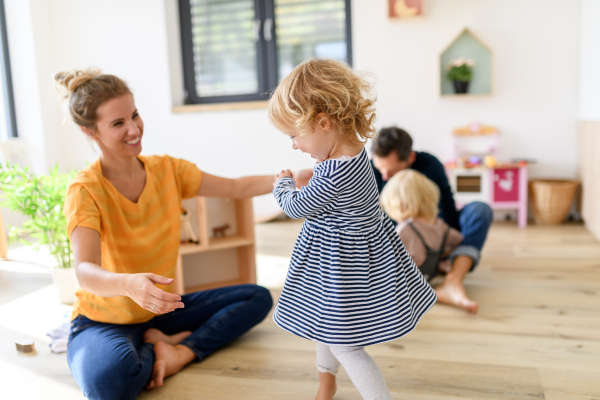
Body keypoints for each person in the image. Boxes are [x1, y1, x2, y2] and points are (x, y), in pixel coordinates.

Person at [57, 69, 274, 400]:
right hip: (104, 320)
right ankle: (154, 346)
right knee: (110, 386)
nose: (133, 129)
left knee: (257, 297)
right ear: (91, 131)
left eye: (135, 115)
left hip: (161, 308)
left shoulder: (168, 170)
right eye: (117, 124)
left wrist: (291, 178)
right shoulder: (84, 189)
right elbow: (85, 271)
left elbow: (234, 187)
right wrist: (128, 284)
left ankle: (178, 352)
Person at [269, 59, 437, 400]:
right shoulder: (355, 154)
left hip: (342, 265)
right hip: (345, 257)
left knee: (344, 343)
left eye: (295, 135)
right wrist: (311, 179)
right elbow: (329, 192)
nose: (294, 145)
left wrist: (283, 185)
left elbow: (294, 207)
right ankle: (326, 382)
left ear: (324, 123)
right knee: (325, 323)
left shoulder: (333, 174)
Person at [371, 127, 493, 313]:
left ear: (410, 158)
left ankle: (453, 280)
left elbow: (447, 212)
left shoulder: (429, 164)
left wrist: (431, 235)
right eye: (381, 170)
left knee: (480, 210)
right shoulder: (369, 168)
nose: (385, 177)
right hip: (402, 238)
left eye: (392, 171)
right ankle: (434, 267)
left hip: (435, 231)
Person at [380, 169, 464, 281]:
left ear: (400, 205)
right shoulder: (439, 224)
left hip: (403, 283)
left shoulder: (404, 229)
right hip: (426, 277)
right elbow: (459, 241)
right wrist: (441, 257)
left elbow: (385, 260)